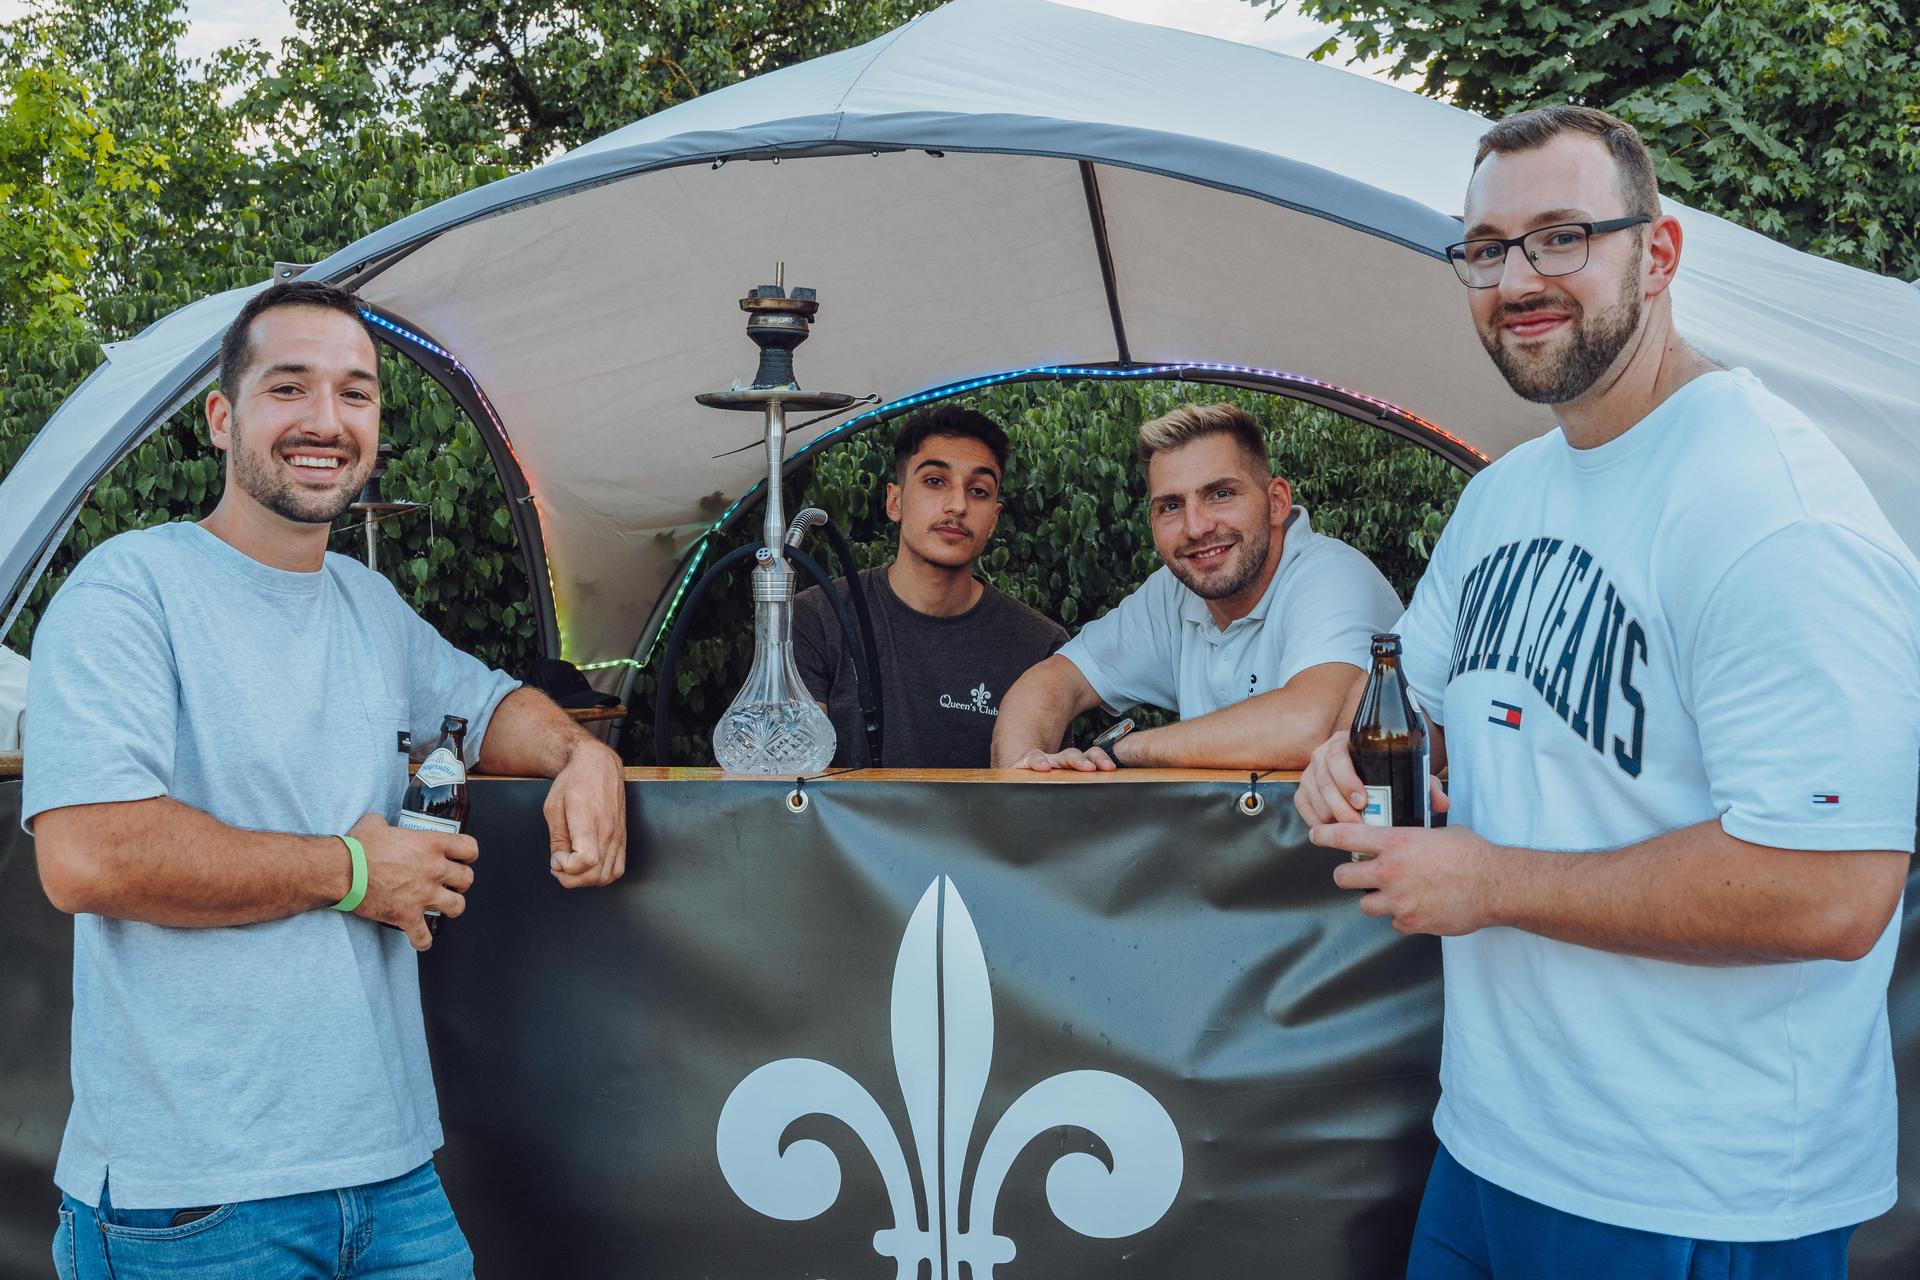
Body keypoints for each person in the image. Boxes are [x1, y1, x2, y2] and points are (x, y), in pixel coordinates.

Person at [1293, 106, 1920, 1279]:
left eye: (1561, 236)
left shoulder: (1773, 510)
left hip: (1697, 1189)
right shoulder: (1504, 495)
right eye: (1485, 248)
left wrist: (1489, 879)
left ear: (1660, 253)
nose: (1517, 277)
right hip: (1490, 1144)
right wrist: (1355, 760)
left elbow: (1838, 889)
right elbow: (1412, 705)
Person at [23, 279, 628, 1277]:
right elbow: (87, 854)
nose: (326, 420)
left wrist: (583, 753)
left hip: (388, 1172)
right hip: (195, 1197)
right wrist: (352, 869)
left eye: (356, 393)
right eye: (289, 387)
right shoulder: (130, 586)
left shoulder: (366, 601)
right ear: (223, 418)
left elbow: (490, 706)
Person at [991, 403, 1401, 770]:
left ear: (1276, 501)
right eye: (1170, 506)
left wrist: (1124, 750)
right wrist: (1025, 776)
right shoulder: (1172, 591)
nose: (1196, 527)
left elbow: (1313, 725)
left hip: (1346, 852)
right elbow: (1051, 681)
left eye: (1220, 494)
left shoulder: (1332, 577)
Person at [793, 405, 1067, 768]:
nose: (957, 505)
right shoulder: (818, 617)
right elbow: (791, 779)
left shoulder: (1039, 646)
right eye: (935, 481)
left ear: (994, 520)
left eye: (979, 491)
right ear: (895, 501)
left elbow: (1040, 800)